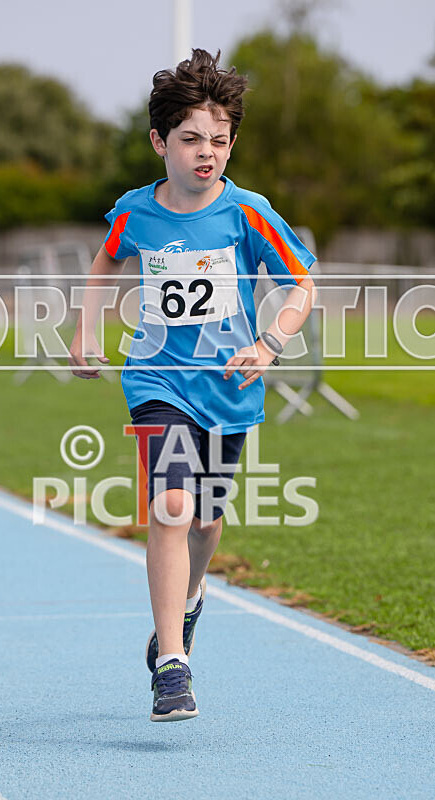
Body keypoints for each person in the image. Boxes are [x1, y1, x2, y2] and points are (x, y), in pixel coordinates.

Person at [68, 48, 317, 722]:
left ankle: (192, 597)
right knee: (172, 506)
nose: (207, 152)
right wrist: (85, 331)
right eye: (191, 139)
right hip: (157, 380)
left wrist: (269, 342)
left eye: (220, 140)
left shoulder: (249, 213)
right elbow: (105, 263)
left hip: (228, 389)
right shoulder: (136, 211)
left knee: (205, 520)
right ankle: (172, 665)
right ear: (159, 141)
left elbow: (301, 284)